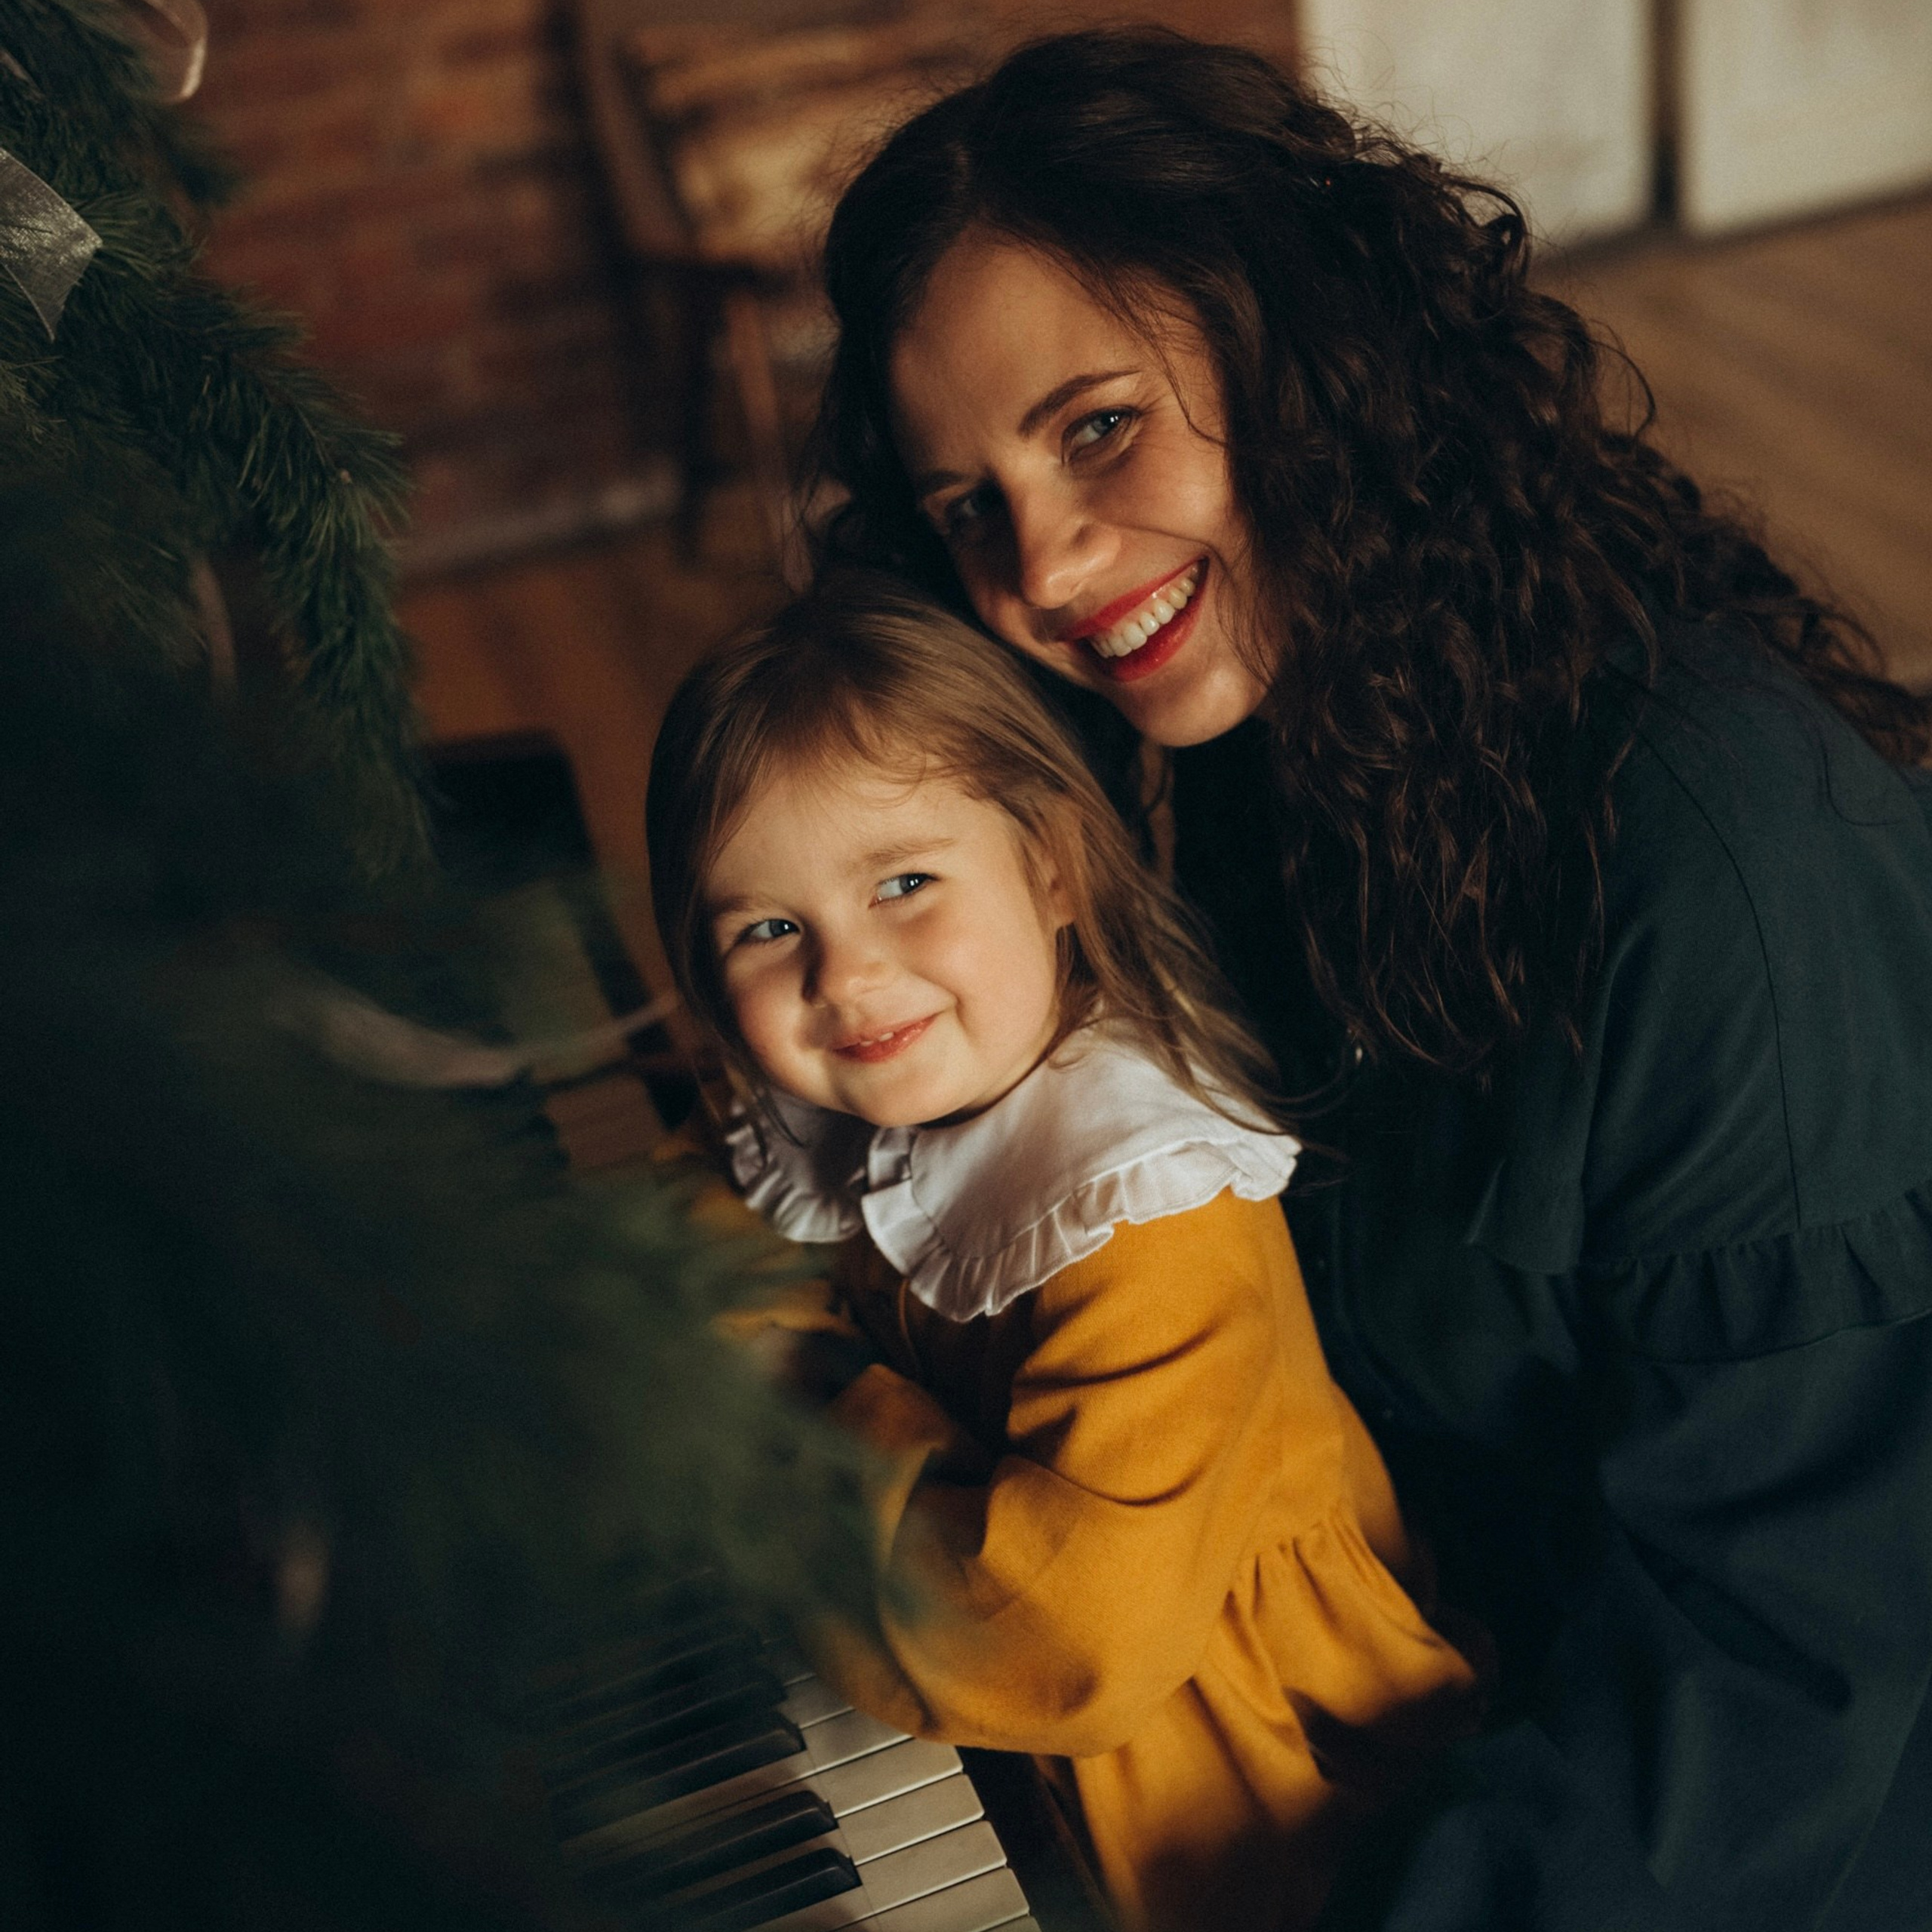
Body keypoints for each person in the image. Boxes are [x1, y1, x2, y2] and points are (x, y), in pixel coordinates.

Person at [801, 27, 1932, 1932]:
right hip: (1417, 1713)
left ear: (1310, 354)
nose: (1043, 569)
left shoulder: (1723, 863)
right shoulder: (1274, 741)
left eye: (1097, 428)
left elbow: (1774, 1677)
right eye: (966, 505)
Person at [644, 578, 1482, 1932]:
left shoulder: (1145, 1207)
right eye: (769, 928)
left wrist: (805, 1388)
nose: (844, 978)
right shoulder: (833, 1091)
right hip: (968, 1665)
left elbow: (1069, 1640)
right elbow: (687, 1219)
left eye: (905, 884)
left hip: (1228, 1788)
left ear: (1053, 867)